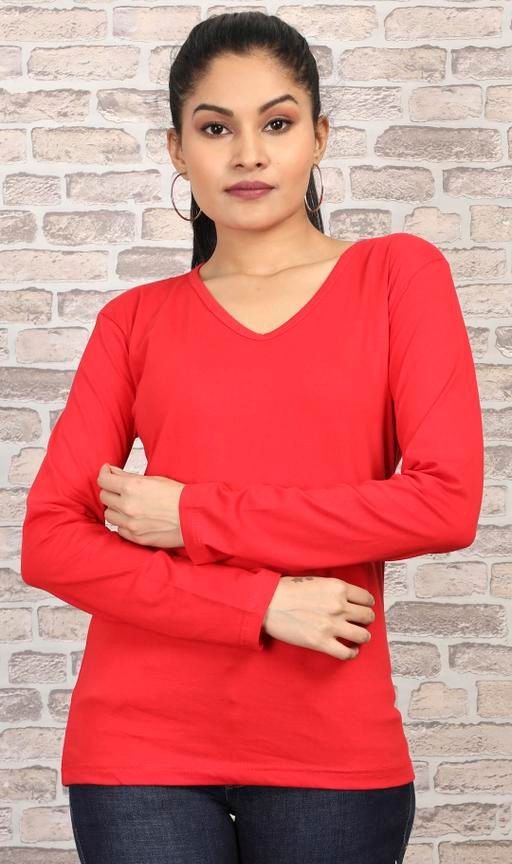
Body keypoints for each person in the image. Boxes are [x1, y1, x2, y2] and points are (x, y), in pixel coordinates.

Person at [20, 11, 484, 864]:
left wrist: (194, 515)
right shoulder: (134, 321)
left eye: (276, 124)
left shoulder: (397, 276)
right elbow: (50, 542)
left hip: (331, 744)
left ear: (319, 138)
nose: (247, 154)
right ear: (176, 150)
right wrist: (259, 606)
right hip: (138, 746)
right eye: (214, 129)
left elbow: (445, 503)